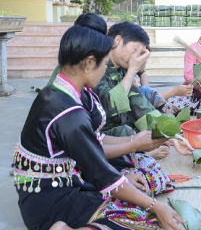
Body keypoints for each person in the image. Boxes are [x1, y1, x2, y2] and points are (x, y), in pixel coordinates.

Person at [13, 13, 186, 230]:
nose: (105, 69)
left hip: (68, 181)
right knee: (145, 221)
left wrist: (135, 140)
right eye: (104, 63)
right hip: (50, 202)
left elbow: (96, 139)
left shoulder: (63, 92)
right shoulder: (68, 113)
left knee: (137, 199)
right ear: (89, 63)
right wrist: (156, 207)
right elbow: (102, 174)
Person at [93, 21, 194, 158]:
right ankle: (142, 155)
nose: (136, 57)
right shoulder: (97, 67)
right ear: (117, 41)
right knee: (128, 132)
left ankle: (143, 153)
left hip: (119, 130)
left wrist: (172, 136)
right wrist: (132, 71)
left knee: (155, 137)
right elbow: (110, 107)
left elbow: (142, 108)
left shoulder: (121, 70)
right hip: (100, 136)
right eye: (135, 50)